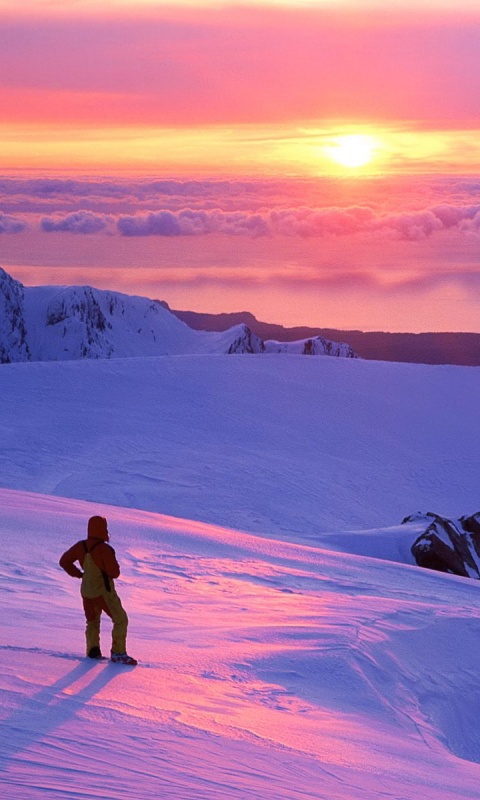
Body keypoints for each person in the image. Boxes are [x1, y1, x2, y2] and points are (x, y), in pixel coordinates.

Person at [59, 515, 137, 665]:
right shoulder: (105, 549)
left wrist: (79, 574)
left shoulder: (80, 546)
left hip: (86, 590)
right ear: (103, 529)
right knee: (120, 619)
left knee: (92, 621)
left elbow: (64, 561)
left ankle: (92, 651)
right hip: (103, 591)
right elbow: (114, 573)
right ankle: (118, 653)